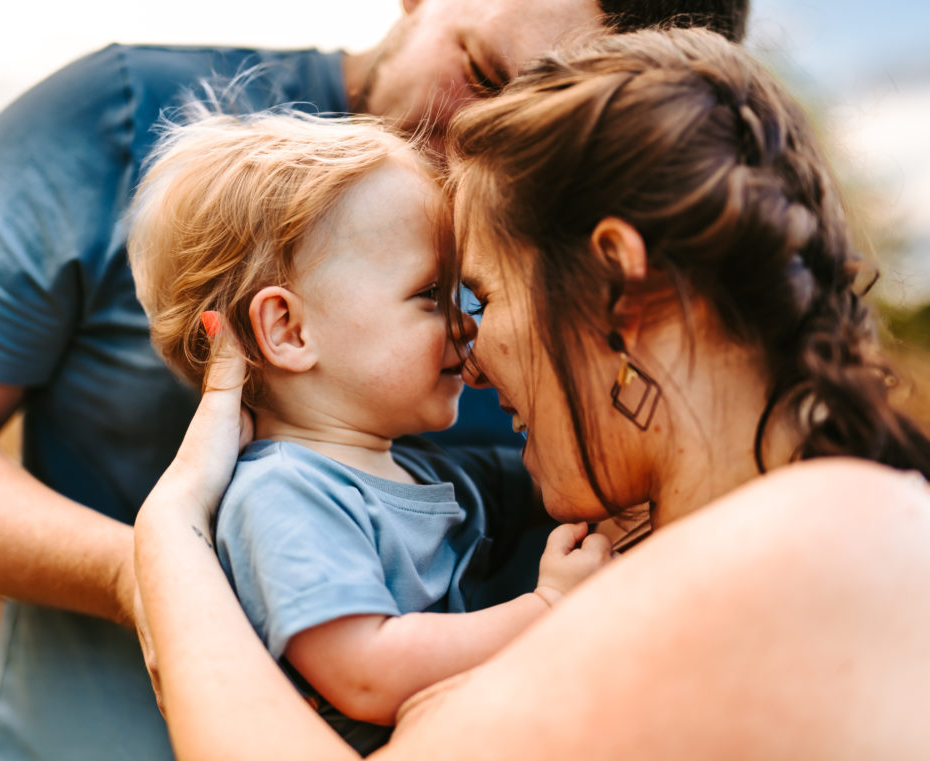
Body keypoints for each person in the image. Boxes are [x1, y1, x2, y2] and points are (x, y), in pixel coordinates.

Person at [0, 2, 747, 759]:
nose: (467, 324)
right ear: (285, 327)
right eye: (484, 75)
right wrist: (160, 571)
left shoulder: (421, 456)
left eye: (546, 140)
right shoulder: (111, 116)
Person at [134, 27, 930, 760]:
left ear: (620, 287)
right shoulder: (774, 537)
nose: (470, 357)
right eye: (437, 298)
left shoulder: (817, 542)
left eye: (479, 294)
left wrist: (170, 533)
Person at [127, 109, 611, 754]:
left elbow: (567, 483)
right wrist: (549, 605)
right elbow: (365, 672)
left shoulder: (428, 473)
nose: (465, 325)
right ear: (289, 331)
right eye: (431, 294)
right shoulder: (284, 495)